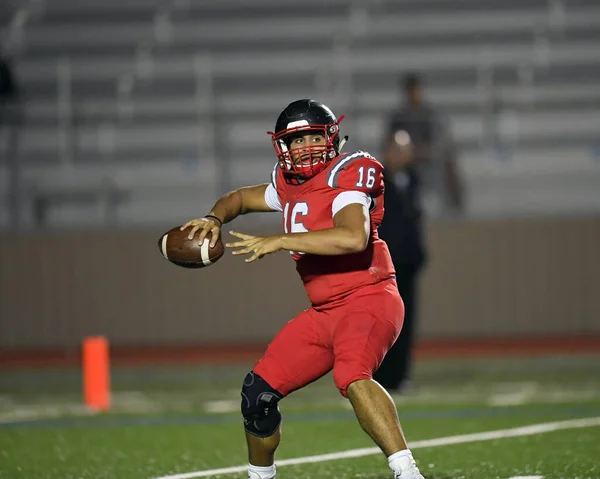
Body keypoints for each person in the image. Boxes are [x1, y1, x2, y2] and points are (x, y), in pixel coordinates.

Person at [181, 99, 425, 479]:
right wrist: (214, 217)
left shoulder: (347, 172)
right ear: (282, 147)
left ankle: (408, 473)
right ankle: (260, 477)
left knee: (353, 376)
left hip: (369, 297)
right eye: (296, 141)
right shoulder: (287, 181)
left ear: (331, 139)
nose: (305, 148)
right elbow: (240, 199)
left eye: (313, 137)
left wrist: (279, 240)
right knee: (256, 395)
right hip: (324, 311)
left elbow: (352, 237)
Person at [374, 73, 465, 393]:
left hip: (408, 264)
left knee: (407, 322)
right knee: (383, 323)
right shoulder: (376, 184)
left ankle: (401, 376)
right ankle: (379, 377)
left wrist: (418, 255)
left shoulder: (412, 181)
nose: (403, 154)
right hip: (385, 266)